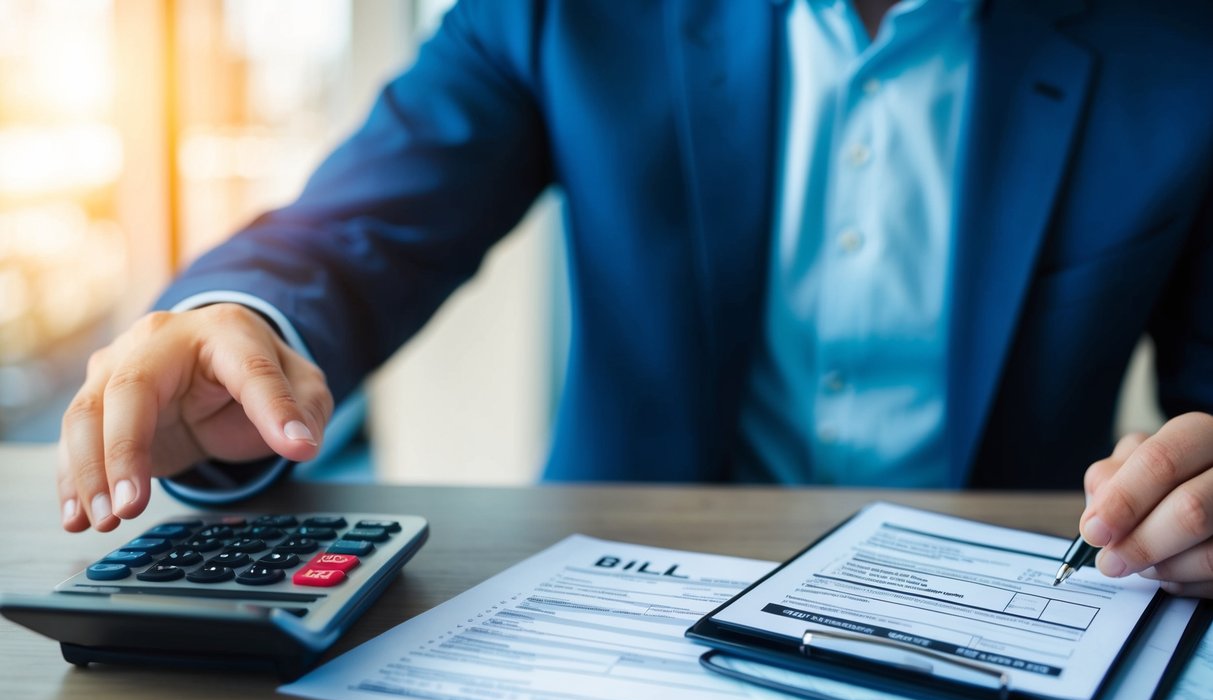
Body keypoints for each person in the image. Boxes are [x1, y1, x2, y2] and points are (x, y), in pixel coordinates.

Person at [56, 0, 1213, 597]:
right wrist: (240, 324)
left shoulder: (1180, 42)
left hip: (1012, 632)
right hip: (619, 620)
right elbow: (362, 227)